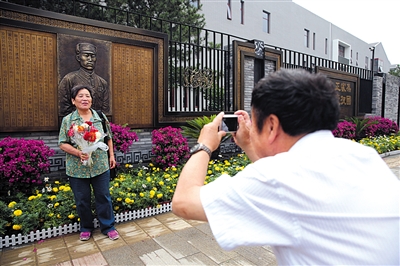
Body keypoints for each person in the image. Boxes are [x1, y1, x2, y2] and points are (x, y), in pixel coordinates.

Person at [172, 69, 400, 265]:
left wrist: (205, 144)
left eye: (254, 121)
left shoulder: (279, 178)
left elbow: (183, 202)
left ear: (271, 125)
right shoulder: (363, 155)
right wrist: (251, 143)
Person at [58, 84, 118, 241]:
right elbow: (62, 143)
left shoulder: (100, 117)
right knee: (82, 200)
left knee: (103, 197)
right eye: (80, 96)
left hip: (100, 166)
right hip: (77, 169)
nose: (85, 99)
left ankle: (108, 227)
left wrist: (111, 156)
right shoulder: (68, 120)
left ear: (91, 99)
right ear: (73, 100)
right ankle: (86, 227)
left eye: (87, 96)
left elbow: (108, 137)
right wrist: (79, 152)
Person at [59, 42, 110, 116]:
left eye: (93, 56)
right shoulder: (69, 79)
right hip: (76, 123)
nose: (90, 59)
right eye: (86, 56)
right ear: (78, 58)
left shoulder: (102, 82)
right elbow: (64, 106)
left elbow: (105, 109)